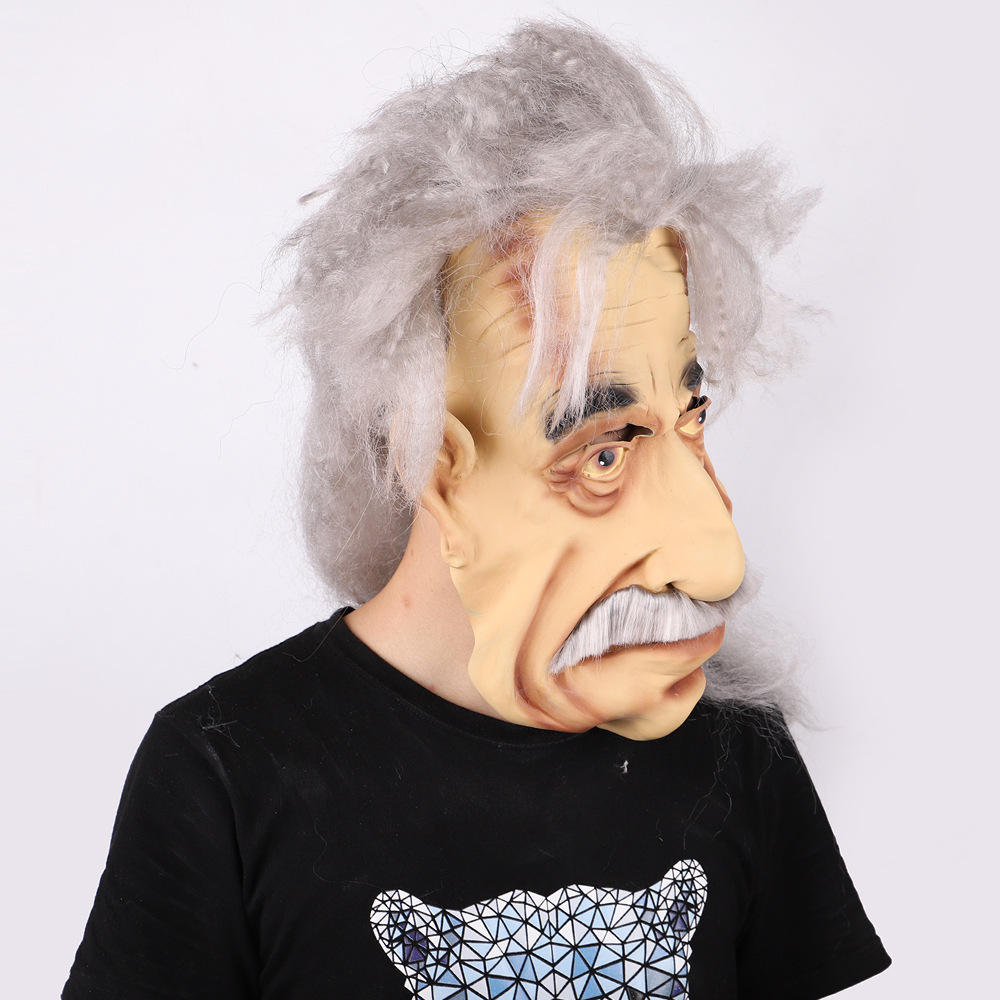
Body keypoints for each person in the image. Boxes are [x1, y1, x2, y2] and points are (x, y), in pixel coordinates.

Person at [63, 18, 892, 999]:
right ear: (428, 458)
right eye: (604, 450)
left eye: (689, 418)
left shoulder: (735, 751)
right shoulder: (225, 773)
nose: (717, 560)